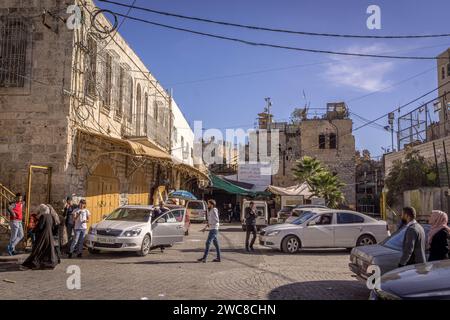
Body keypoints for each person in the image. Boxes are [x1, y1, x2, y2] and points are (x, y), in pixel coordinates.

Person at [21, 204, 60, 270]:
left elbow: (40, 227)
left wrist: (33, 230)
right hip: (49, 235)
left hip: (43, 236)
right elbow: (53, 227)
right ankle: (50, 263)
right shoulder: (51, 216)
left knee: (38, 249)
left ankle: (33, 263)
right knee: (47, 250)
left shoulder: (43, 216)